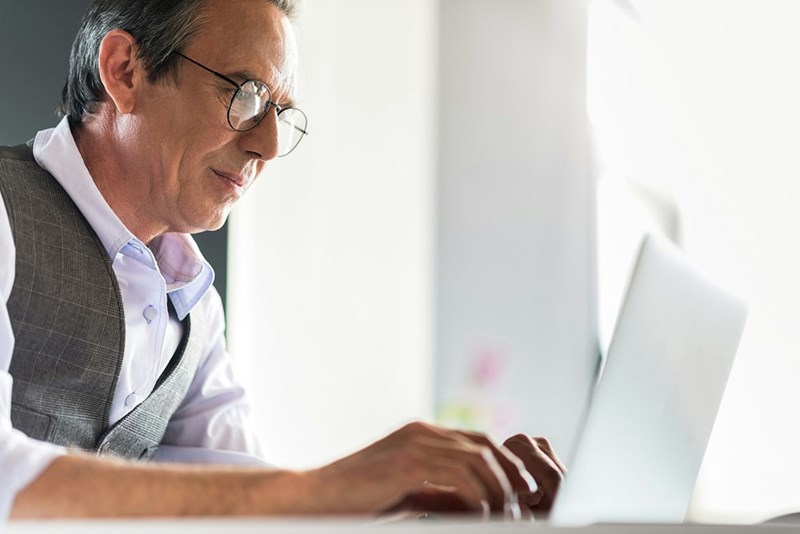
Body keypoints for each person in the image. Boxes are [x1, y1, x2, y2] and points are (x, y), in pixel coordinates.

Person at [0, 0, 565, 520]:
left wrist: (433, 505)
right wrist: (337, 486)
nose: (268, 145)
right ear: (125, 69)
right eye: (245, 94)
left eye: (280, 112)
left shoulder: (196, 312)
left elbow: (265, 513)